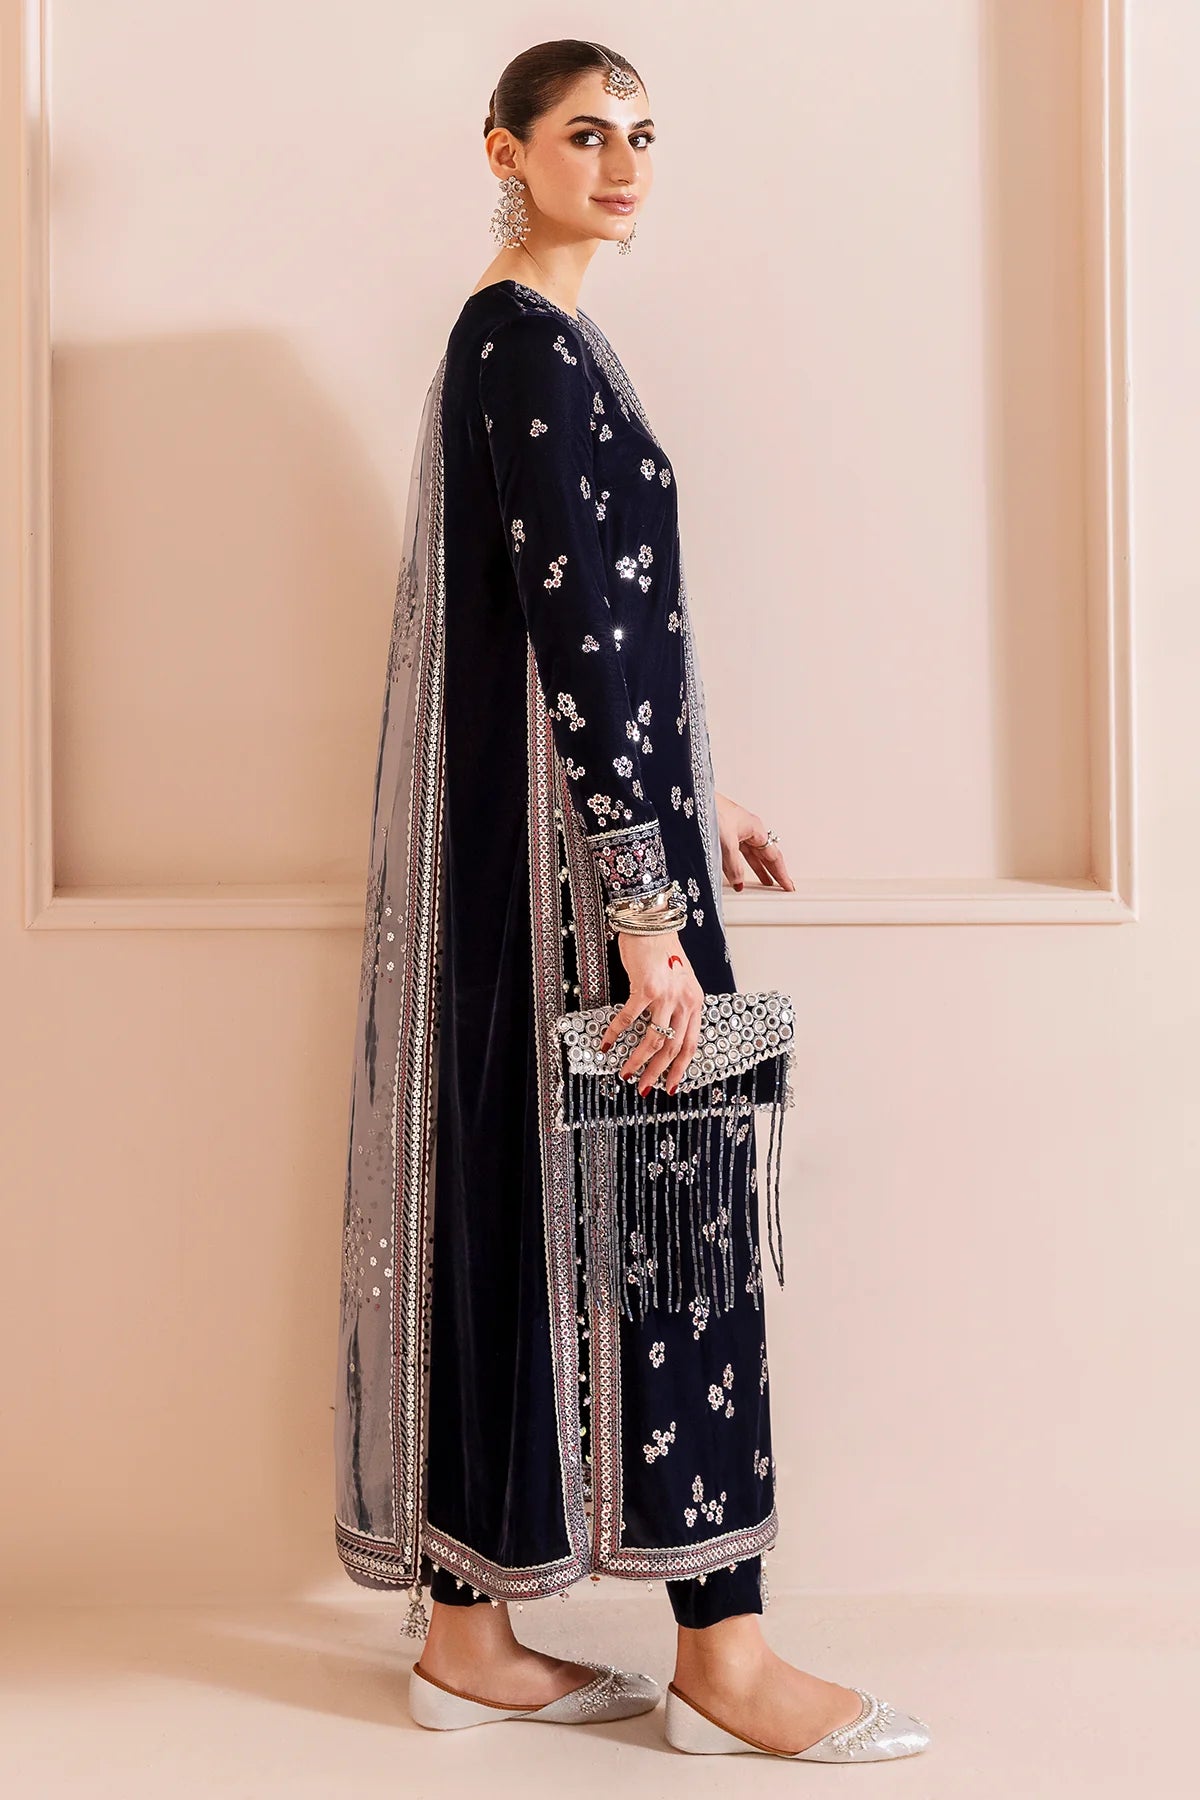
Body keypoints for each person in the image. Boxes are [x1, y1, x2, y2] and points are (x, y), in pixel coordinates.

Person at [333, 37, 931, 1763]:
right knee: (675, 1237)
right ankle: (726, 1666)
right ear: (505, 152)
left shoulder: (525, 340)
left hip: (554, 866)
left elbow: (588, 634)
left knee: (524, 1218)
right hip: (592, 895)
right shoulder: (524, 344)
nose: (624, 162)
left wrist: (694, 784)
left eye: (644, 134)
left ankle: (469, 1637)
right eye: (586, 133)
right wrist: (648, 907)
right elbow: (581, 629)